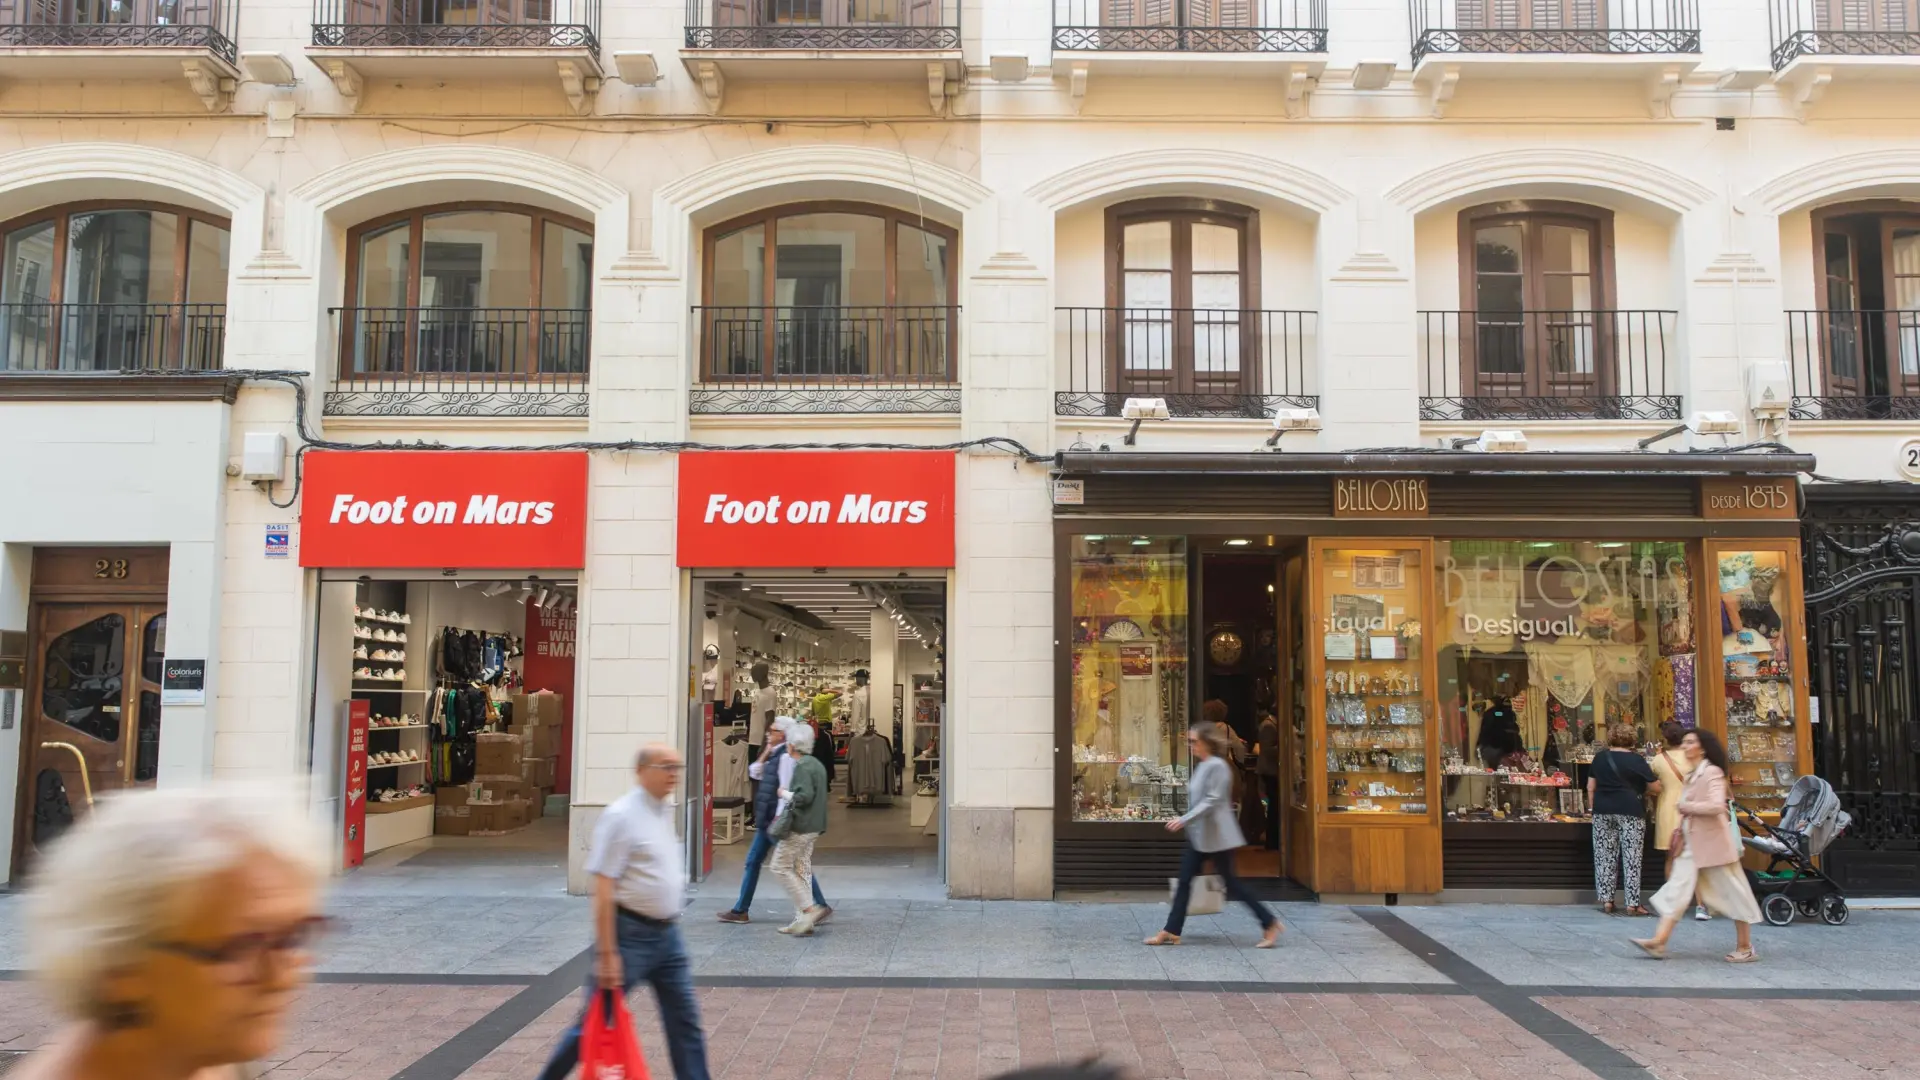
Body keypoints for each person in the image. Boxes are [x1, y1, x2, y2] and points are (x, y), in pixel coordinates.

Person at [19, 783, 330, 1080]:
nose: (282, 978)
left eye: (293, 937)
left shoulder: (206, 1058)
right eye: (240, 947)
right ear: (122, 964)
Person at [537, 745, 710, 1080]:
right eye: (666, 767)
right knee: (593, 1024)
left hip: (667, 937)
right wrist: (607, 952)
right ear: (642, 770)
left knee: (685, 1022)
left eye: (677, 767)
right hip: (629, 935)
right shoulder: (621, 815)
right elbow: (602, 885)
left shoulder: (663, 810)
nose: (674, 774)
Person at [1144, 722, 1282, 949]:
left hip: (1216, 837)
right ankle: (1171, 930)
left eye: (1194, 741)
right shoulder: (1204, 764)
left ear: (1207, 742)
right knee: (1186, 882)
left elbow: (1212, 800)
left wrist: (1184, 819)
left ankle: (1269, 922)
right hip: (1200, 836)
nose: (1190, 745)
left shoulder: (1218, 766)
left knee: (1232, 883)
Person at [1633, 729, 1764, 964]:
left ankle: (1745, 947)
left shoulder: (1711, 772)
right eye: (1684, 742)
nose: (1685, 746)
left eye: (1690, 742)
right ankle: (1659, 940)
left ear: (1702, 747)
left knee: (1734, 894)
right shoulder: (1695, 773)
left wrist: (1687, 807)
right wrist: (1680, 830)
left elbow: (1716, 806)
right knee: (1677, 889)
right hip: (1694, 844)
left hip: (1713, 846)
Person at [717, 717, 828, 924]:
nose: (768, 733)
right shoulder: (776, 754)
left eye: (773, 730)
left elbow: (792, 791)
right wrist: (767, 750)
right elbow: (755, 772)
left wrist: (782, 810)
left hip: (776, 821)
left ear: (784, 735)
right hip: (768, 820)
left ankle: (815, 905)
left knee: (787, 866)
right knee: (757, 862)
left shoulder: (787, 758)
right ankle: (741, 909)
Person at [1587, 725, 1660, 916]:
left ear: (1611, 738)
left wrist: (1592, 808)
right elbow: (1655, 786)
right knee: (1632, 857)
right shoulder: (1637, 760)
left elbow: (1590, 787)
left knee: (1604, 856)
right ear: (1632, 740)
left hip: (1602, 810)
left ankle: (1607, 901)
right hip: (1630, 810)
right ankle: (1632, 903)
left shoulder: (1600, 758)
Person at [770, 724, 831, 936]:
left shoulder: (803, 766)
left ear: (793, 744)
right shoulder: (816, 765)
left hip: (801, 826)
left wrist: (784, 793)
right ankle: (802, 921)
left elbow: (803, 797)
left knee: (779, 866)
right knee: (802, 868)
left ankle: (808, 909)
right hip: (814, 827)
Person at [1648, 721, 1710, 923]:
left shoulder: (1658, 759)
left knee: (1671, 858)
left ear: (1665, 738)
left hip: (1669, 809)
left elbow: (1652, 786)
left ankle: (1672, 903)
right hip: (1693, 810)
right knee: (1696, 860)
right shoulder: (1693, 757)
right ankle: (1701, 905)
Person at [747, 662, 777, 826]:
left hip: (761, 742)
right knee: (753, 778)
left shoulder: (770, 693)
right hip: (753, 740)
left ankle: (762, 816)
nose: (752, 673)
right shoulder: (757, 692)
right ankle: (754, 813)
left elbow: (770, 718)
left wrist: (764, 743)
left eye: (755, 671)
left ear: (764, 673)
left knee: (761, 780)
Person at [1257, 711, 1282, 851]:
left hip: (1273, 770)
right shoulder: (1268, 726)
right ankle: (1272, 841)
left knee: (1274, 806)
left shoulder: (1272, 725)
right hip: (1270, 771)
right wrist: (1286, 745)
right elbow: (1267, 750)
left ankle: (1274, 840)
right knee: (1273, 807)